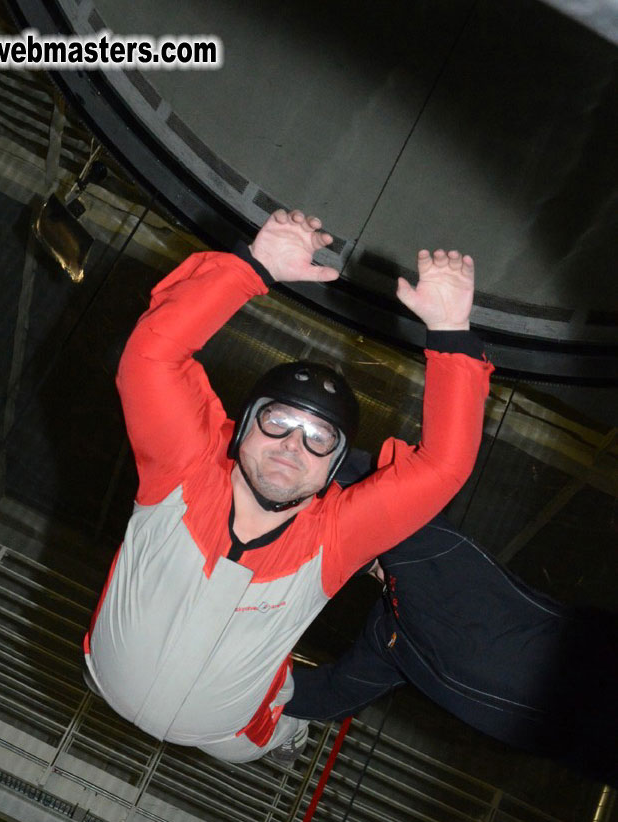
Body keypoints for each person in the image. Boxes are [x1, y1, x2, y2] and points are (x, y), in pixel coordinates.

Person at [83, 208, 493, 763]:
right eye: (278, 422)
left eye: (319, 438)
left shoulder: (335, 537)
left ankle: (288, 734)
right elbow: (151, 355)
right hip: (107, 676)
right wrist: (255, 267)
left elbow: (442, 467)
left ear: (334, 469)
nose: (292, 447)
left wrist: (451, 334)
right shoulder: (181, 472)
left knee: (263, 736)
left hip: (232, 729)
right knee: (272, 711)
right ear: (242, 426)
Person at [285, 457, 618, 784]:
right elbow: (334, 692)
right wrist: (265, 699)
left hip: (577, 680)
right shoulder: (390, 630)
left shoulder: (419, 557)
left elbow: (364, 480)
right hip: (566, 726)